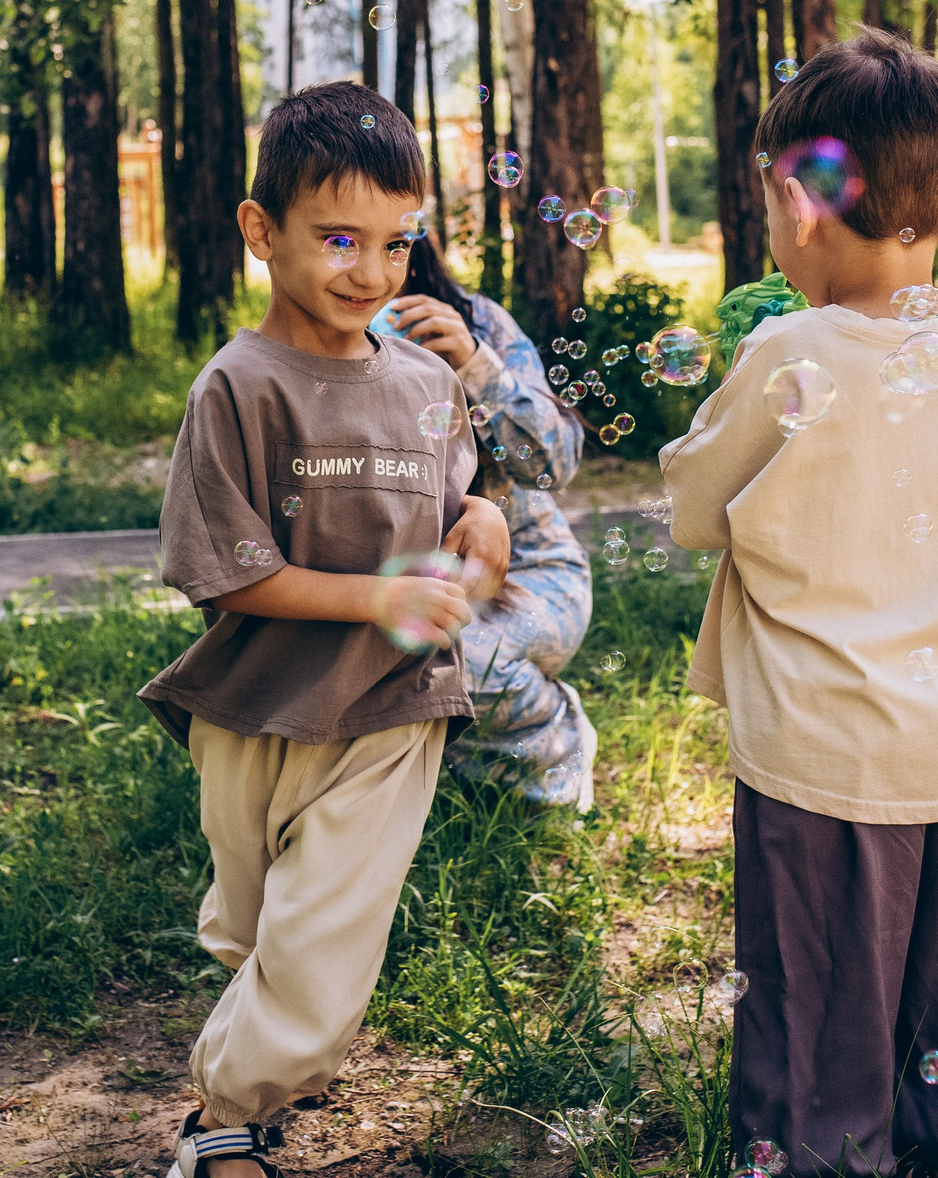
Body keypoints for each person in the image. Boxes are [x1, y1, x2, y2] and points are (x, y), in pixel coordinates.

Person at [660, 31, 938, 1178]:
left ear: (802, 200)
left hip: (817, 756)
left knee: (815, 993)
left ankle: (824, 1153)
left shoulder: (787, 347)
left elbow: (692, 509)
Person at [140, 82, 514, 1178]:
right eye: (337, 239)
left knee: (321, 944)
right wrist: (371, 595)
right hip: (254, 704)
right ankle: (268, 1003)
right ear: (261, 232)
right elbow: (228, 574)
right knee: (257, 929)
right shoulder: (238, 388)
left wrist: (480, 530)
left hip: (391, 706)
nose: (369, 272)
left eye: (396, 244)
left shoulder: (425, 383)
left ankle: (221, 1119)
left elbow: (459, 510)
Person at [384, 233, 598, 808]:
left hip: (527, 572)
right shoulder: (315, 333)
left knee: (454, 660)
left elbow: (557, 464)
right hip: (394, 576)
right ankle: (439, 776)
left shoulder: (478, 320)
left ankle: (554, 742)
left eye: (389, 240)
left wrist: (477, 363)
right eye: (338, 239)